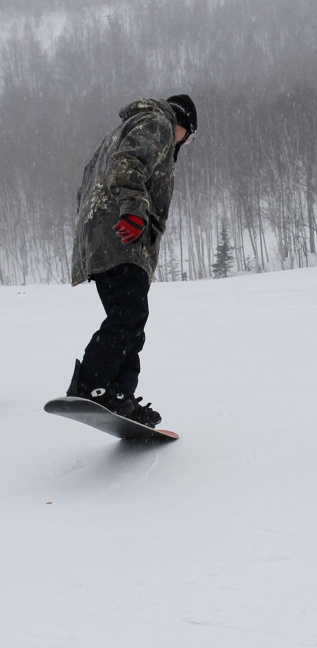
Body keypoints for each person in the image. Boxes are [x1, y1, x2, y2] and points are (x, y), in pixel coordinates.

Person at [65, 94, 198, 427]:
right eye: (190, 135)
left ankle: (119, 395)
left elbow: (87, 188)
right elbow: (129, 164)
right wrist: (134, 211)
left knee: (129, 319)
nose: (185, 142)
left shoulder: (121, 130)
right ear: (181, 123)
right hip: (122, 234)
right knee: (130, 316)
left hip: (104, 238)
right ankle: (92, 385)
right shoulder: (158, 124)